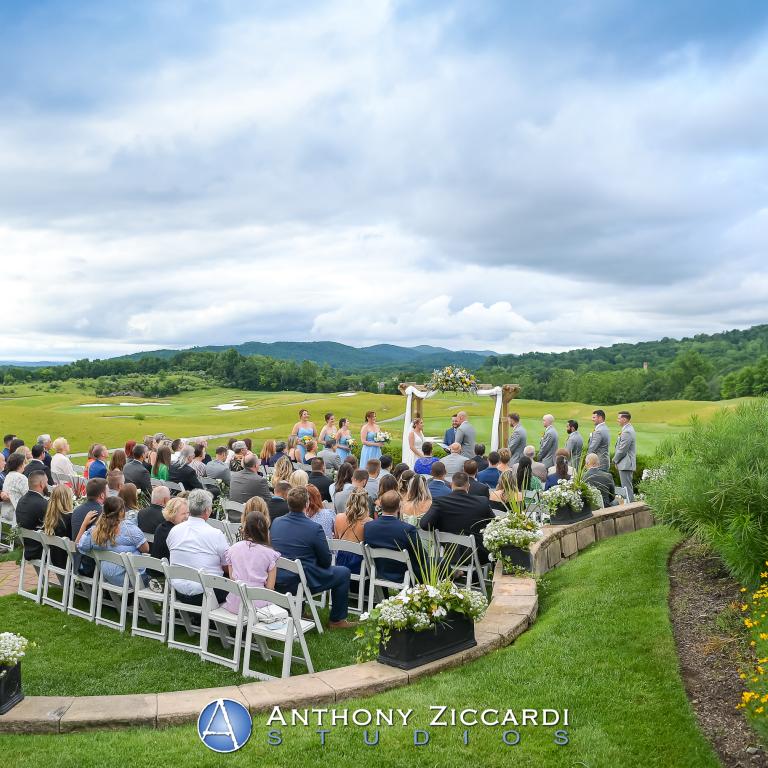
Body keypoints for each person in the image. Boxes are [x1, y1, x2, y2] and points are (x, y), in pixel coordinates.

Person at [271, 486, 355, 629]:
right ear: (307, 504)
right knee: (343, 572)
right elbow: (326, 561)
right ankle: (337, 620)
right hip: (301, 581)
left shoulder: (276, 522)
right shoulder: (314, 528)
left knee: (304, 565)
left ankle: (301, 610)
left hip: (278, 577)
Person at [167, 489, 230, 604]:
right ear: (207, 511)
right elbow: (227, 566)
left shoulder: (174, 530)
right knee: (234, 582)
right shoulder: (215, 534)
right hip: (206, 593)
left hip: (178, 589)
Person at [419, 472, 492, 563]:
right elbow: (493, 523)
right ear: (468, 486)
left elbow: (424, 524)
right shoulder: (482, 501)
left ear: (451, 485)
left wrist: (439, 524)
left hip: (449, 554)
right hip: (477, 554)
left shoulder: (440, 502)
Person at [223, 504, 281, 616]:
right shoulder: (270, 554)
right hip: (258, 604)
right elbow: (270, 588)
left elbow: (232, 578)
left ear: (245, 528)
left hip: (235, 602)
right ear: (265, 529)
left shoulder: (233, 549)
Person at [77, 496, 149, 586]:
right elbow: (146, 549)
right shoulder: (131, 530)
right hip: (131, 578)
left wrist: (84, 525)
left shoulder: (95, 532)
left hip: (107, 577)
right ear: (122, 512)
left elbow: (80, 545)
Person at [364, 490, 429, 583]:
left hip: (379, 571)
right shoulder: (407, 529)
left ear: (381, 506)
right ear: (399, 507)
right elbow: (421, 556)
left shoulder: (368, 526)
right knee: (438, 561)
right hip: (405, 573)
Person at [70, 478, 108, 575]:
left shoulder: (77, 510)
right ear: (102, 495)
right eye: (107, 491)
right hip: (93, 564)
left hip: (77, 560)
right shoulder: (102, 513)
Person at [333, 487, 371, 574]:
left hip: (341, 562)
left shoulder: (339, 517)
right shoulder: (368, 522)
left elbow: (337, 538)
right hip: (360, 565)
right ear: (366, 503)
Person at [15, 470, 49, 561]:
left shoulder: (21, 500)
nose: (47, 485)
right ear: (41, 484)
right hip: (41, 550)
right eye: (47, 482)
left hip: (27, 546)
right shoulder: (42, 504)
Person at [43, 485, 74, 567]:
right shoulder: (70, 518)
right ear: (67, 499)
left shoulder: (50, 517)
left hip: (54, 557)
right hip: (67, 560)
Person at [150, 496, 189, 561]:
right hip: (165, 569)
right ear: (172, 514)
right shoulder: (174, 531)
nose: (187, 516)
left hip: (156, 567)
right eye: (183, 514)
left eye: (188, 513)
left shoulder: (162, 526)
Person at [613, 411, 637, 501]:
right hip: (625, 463)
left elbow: (622, 450)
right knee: (626, 488)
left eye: (619, 418)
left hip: (626, 464)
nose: (617, 420)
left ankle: (630, 507)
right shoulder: (627, 429)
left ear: (624, 419)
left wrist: (615, 460)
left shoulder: (627, 431)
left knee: (627, 489)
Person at [1, 453, 29, 522]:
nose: (24, 466)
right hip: (16, 514)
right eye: (24, 463)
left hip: (6, 511)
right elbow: (28, 497)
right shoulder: (21, 477)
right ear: (20, 465)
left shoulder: (8, 475)